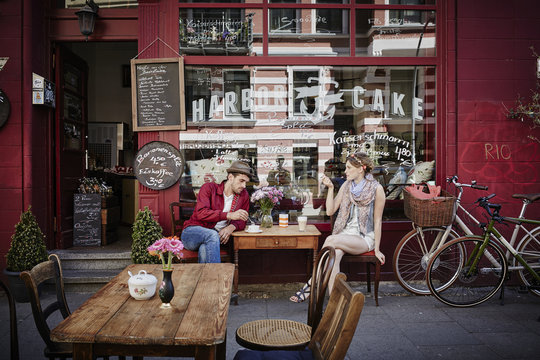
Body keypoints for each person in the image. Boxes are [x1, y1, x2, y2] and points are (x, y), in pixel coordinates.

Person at [290, 151, 386, 302]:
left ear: (361, 168)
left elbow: (378, 221)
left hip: (364, 238)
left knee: (330, 241)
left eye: (348, 168)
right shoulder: (347, 186)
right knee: (334, 254)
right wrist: (330, 188)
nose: (345, 171)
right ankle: (334, 302)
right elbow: (330, 211)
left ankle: (311, 284)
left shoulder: (376, 189)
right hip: (346, 234)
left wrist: (378, 249)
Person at [181, 160, 255, 263]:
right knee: (212, 235)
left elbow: (242, 220)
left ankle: (207, 279)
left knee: (205, 248)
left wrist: (231, 227)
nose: (244, 186)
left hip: (214, 239)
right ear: (230, 177)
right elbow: (201, 213)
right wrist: (229, 215)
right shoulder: (209, 188)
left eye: (246, 182)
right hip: (191, 233)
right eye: (241, 181)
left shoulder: (243, 195)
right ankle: (217, 277)